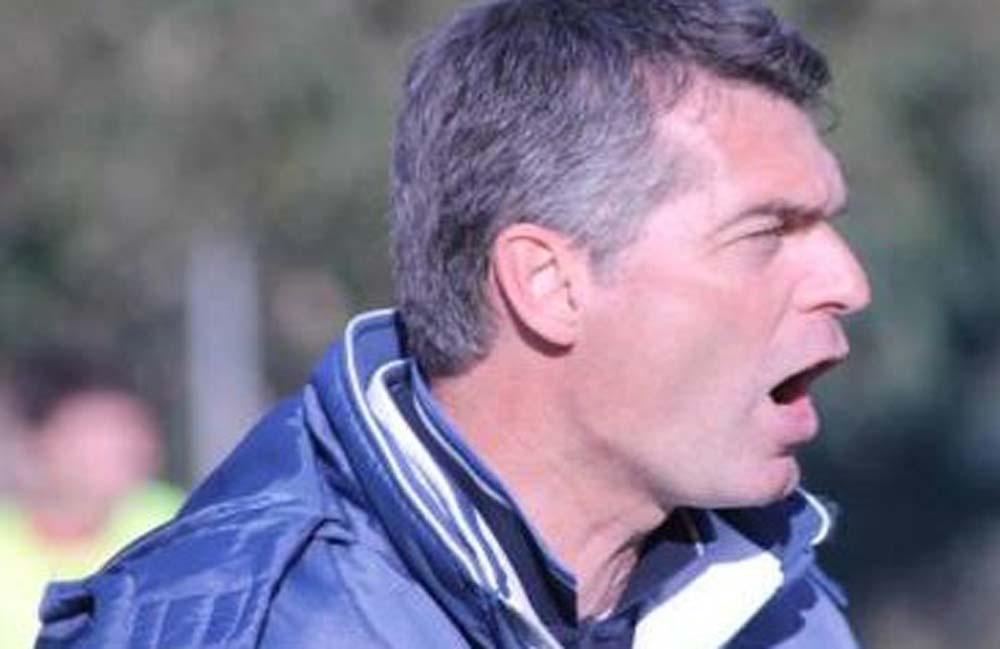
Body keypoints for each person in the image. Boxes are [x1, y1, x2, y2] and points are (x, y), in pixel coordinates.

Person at [38, 0, 871, 646]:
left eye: (827, 223)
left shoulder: (781, 605)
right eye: (768, 231)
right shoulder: (236, 626)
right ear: (548, 283)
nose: (847, 282)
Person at [0, 350, 182, 649]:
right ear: (35, 441)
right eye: (97, 430)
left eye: (130, 427)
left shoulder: (178, 524)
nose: (125, 446)